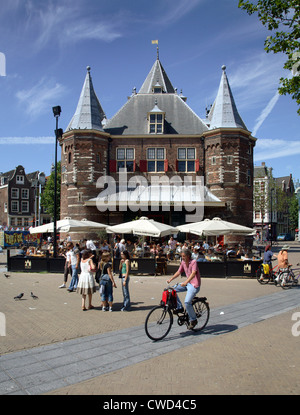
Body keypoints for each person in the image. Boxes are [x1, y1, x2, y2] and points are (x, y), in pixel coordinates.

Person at [166, 249, 201, 330]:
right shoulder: (183, 262)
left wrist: (186, 282)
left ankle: (193, 320)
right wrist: (171, 279)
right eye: (181, 256)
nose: (182, 258)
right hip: (187, 283)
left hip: (194, 285)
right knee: (171, 290)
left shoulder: (193, 262)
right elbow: (178, 272)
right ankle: (179, 307)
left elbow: (193, 273)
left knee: (187, 302)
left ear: (188, 256)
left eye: (183, 256)